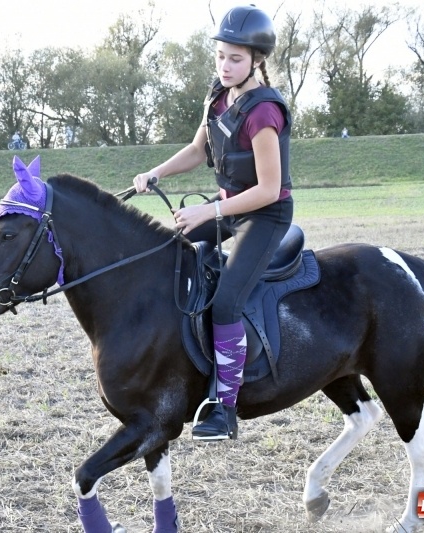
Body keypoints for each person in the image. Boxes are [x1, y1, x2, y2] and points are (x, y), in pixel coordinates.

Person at [133, 4, 293, 441]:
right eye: (220, 55)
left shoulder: (264, 113)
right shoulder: (218, 97)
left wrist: (207, 211)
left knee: (226, 304)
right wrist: (156, 173)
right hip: (228, 207)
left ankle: (224, 406)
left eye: (235, 58)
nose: (224, 65)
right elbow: (197, 150)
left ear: (257, 60)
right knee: (168, 250)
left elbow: (268, 189)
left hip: (263, 216)